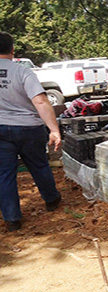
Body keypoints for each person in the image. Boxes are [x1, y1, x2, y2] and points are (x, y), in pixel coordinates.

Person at [0, 32, 62, 232]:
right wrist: (54, 129)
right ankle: (52, 201)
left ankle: (12, 219)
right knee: (39, 165)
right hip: (29, 128)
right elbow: (41, 101)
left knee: (4, 174)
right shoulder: (22, 72)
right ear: (12, 50)